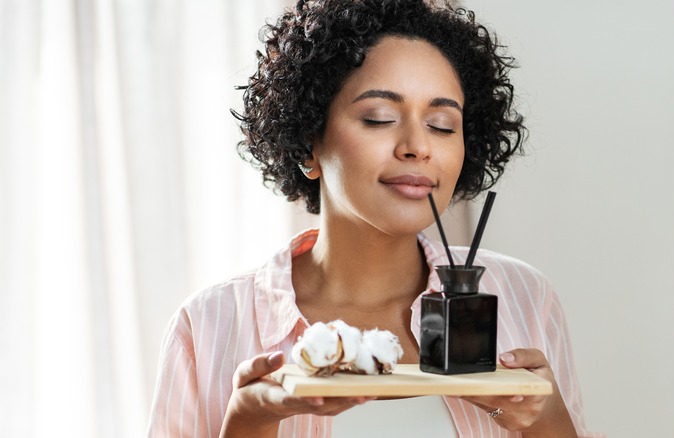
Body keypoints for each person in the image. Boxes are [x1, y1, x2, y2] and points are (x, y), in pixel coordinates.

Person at [147, 0, 599, 436]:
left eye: (442, 125)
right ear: (309, 144)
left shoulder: (523, 297)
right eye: (379, 118)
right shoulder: (209, 325)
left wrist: (542, 419)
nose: (418, 146)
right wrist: (250, 421)